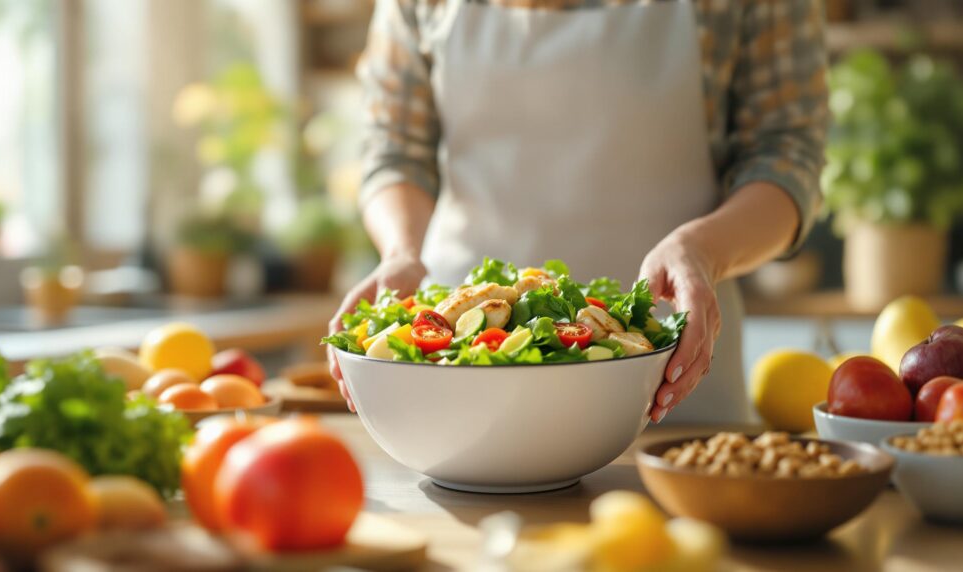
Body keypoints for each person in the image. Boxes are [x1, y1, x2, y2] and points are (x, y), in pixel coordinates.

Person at [328, 0, 828, 424]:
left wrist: (702, 251)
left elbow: (787, 156)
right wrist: (400, 252)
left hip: (667, 378)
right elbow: (395, 151)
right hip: (457, 374)